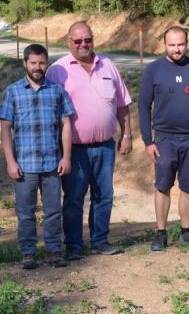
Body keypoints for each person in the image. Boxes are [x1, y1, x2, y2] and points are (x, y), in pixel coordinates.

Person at [47, 21, 133, 260]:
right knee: (74, 199)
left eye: (88, 39)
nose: (84, 44)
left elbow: (122, 104)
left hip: (105, 146)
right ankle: (74, 245)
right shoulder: (57, 71)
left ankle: (100, 240)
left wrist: (127, 134)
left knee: (104, 195)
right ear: (68, 42)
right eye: (78, 41)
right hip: (73, 149)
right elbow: (49, 112)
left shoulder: (108, 65)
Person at [0, 44, 74, 269]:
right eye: (33, 63)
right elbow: (5, 129)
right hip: (24, 165)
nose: (37, 67)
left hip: (52, 164)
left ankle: (53, 251)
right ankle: (29, 253)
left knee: (53, 211)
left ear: (47, 64)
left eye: (42, 63)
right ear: (25, 63)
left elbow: (66, 124)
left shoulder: (57, 91)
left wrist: (66, 157)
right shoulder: (12, 91)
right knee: (25, 213)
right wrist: (10, 161)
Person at [139, 26, 189, 251]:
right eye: (172, 45)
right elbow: (144, 105)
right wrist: (148, 141)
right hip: (164, 138)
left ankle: (186, 231)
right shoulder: (154, 70)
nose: (176, 49)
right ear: (164, 45)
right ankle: (160, 233)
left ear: (186, 44)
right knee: (163, 186)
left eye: (180, 44)